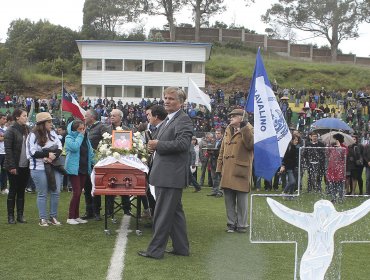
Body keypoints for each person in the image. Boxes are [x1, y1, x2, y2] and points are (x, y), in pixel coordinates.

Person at [138, 87, 193, 259]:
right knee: (175, 215)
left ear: (181, 102)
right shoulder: (170, 119)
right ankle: (181, 248)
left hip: (171, 175)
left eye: (171, 98)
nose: (167, 101)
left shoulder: (183, 120)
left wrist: (158, 145)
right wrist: (153, 144)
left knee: (162, 215)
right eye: (165, 98)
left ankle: (155, 251)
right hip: (167, 174)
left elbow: (183, 144)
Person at [216, 109, 254, 233]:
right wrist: (219, 167)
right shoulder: (228, 129)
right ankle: (231, 224)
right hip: (227, 170)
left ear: (241, 118)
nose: (230, 118)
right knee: (229, 199)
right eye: (230, 116)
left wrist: (244, 128)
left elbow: (250, 145)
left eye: (233, 116)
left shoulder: (249, 129)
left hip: (241, 169)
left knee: (242, 201)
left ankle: (242, 224)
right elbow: (222, 149)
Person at [26, 112, 64, 226]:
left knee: (56, 192)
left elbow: (60, 147)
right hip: (38, 168)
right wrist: (47, 155)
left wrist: (54, 156)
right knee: (42, 193)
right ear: (42, 123)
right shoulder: (32, 135)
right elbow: (32, 152)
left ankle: (53, 217)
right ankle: (42, 218)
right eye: (49, 121)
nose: (51, 124)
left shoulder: (52, 133)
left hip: (53, 166)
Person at [64, 120, 94, 225]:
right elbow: (75, 147)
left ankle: (76, 216)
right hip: (74, 169)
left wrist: (93, 162)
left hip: (84, 168)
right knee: (76, 192)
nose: (82, 131)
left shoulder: (86, 139)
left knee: (79, 193)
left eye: (83, 129)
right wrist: (81, 136)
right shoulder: (69, 138)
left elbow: (90, 152)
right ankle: (70, 217)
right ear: (74, 130)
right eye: (80, 129)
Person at [82, 109, 110, 221]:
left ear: (92, 117)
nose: (84, 118)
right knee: (87, 187)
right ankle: (89, 211)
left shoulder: (101, 127)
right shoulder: (85, 128)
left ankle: (97, 211)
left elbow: (109, 139)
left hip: (97, 162)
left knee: (96, 186)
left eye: (86, 116)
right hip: (86, 162)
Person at [4, 108, 30, 224]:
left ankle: (20, 215)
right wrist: (12, 166)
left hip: (25, 165)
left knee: (21, 191)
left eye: (26, 115)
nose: (26, 117)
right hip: (14, 165)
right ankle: (10, 216)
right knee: (13, 190)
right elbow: (8, 149)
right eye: (24, 115)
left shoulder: (27, 129)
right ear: (17, 117)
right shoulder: (11, 130)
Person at [326, 134, 347, 203]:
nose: (333, 140)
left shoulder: (344, 147)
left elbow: (345, 155)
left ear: (338, 140)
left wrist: (339, 147)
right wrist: (327, 146)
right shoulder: (331, 146)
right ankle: (333, 198)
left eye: (334, 139)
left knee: (340, 183)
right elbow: (327, 154)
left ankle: (340, 198)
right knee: (332, 183)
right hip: (332, 168)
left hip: (339, 169)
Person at [207, 128, 223, 197]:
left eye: (218, 133)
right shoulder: (213, 141)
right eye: (216, 133)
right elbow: (209, 150)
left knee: (220, 177)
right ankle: (214, 191)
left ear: (222, 134)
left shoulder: (223, 141)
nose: (217, 135)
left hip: (219, 161)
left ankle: (220, 191)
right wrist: (209, 151)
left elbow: (222, 152)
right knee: (213, 176)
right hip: (212, 160)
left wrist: (214, 152)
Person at [0, 113, 8, 195]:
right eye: (3, 118)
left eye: (5, 119)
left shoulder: (6, 128)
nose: (5, 120)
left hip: (5, 152)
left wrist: (4, 136)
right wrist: (5, 136)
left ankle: (4, 188)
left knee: (4, 171)